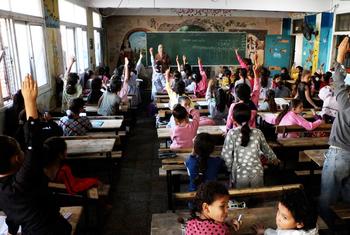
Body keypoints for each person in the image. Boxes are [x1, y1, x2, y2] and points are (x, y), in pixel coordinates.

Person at [0, 74, 72, 235]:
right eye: (20, 149)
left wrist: (11, 230)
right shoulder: (22, 180)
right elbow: (33, 145)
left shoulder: (5, 188)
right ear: (17, 158)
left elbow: (12, 214)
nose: (23, 151)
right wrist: (30, 102)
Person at [319, 36, 350, 226]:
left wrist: (340, 57)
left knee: (327, 194)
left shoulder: (346, 105)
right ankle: (343, 226)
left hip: (339, 153)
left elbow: (337, 82)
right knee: (348, 194)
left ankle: (324, 226)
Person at [221, 103, 279, 188]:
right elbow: (267, 151)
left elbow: (227, 156)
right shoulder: (258, 132)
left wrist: (229, 169)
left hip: (239, 175)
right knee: (257, 200)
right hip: (257, 174)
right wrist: (275, 159)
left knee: (241, 201)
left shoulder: (232, 133)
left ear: (233, 119)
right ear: (250, 118)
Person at [253, 189, 318, 235]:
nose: (278, 218)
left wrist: (264, 231)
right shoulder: (310, 225)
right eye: (278, 210)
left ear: (300, 224)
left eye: (284, 217)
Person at [226, 54, 260, 130]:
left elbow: (229, 123)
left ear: (237, 95)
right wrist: (256, 74)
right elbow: (257, 89)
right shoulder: (253, 103)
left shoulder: (233, 106)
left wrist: (227, 131)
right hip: (252, 133)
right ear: (249, 92)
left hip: (236, 135)